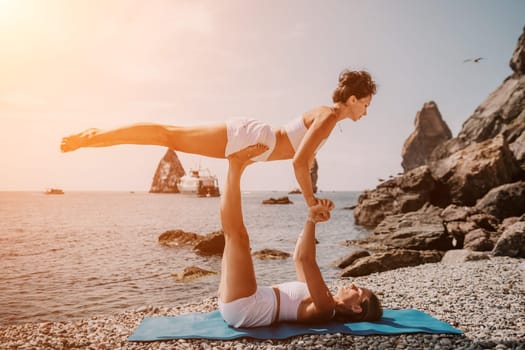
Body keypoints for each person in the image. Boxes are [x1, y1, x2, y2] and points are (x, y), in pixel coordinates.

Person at [60, 69, 376, 207]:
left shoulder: (327, 116)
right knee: (167, 134)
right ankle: (94, 135)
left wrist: (311, 196)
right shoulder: (329, 116)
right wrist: (309, 200)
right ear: (353, 99)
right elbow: (299, 161)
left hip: (252, 143)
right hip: (249, 138)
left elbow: (303, 159)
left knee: (167, 135)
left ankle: (95, 137)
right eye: (365, 104)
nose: (365, 112)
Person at [218, 144, 382, 328]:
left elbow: (307, 259)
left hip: (246, 307)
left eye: (358, 291)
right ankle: (237, 167)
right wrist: (312, 221)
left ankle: (234, 165)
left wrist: (312, 219)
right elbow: (298, 258)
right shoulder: (323, 296)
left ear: (357, 309)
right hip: (241, 303)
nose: (353, 285)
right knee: (233, 237)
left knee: (237, 237)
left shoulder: (327, 308)